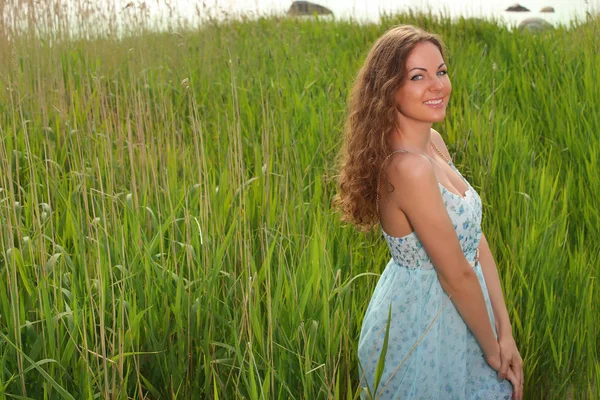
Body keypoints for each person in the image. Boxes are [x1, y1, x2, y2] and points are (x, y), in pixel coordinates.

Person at [333, 25, 524, 399]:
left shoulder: (432, 143)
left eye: (441, 71)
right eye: (418, 76)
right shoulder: (408, 169)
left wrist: (505, 331)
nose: (438, 85)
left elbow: (473, 236)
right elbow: (455, 276)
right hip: (424, 326)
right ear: (389, 89)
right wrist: (495, 354)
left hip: (468, 312)